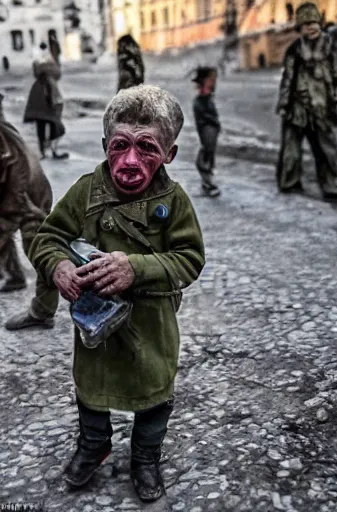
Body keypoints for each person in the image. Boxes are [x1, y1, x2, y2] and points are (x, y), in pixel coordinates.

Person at [28, 85, 205, 503]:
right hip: (98, 325)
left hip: (151, 324)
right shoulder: (87, 191)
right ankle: (94, 444)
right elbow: (47, 238)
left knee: (154, 391)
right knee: (92, 388)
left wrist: (135, 268)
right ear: (106, 144)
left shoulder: (173, 201)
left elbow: (189, 259)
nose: (129, 161)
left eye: (147, 148)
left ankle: (145, 457)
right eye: (120, 146)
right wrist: (59, 267)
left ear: (170, 154)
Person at [276, 2, 337, 199]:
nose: (311, 27)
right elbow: (287, 79)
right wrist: (284, 104)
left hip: (322, 105)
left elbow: (334, 74)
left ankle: (330, 184)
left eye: (314, 23)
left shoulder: (328, 45)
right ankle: (289, 182)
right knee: (291, 149)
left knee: (327, 149)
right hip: (298, 107)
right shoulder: (295, 50)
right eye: (306, 24)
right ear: (300, 29)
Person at [0, 103, 59, 330]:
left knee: (37, 246)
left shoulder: (6, 143)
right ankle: (14, 276)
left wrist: (5, 225)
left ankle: (44, 310)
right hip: (12, 191)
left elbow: (17, 187)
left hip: (30, 195)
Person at [23, 42, 69, 160]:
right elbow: (57, 74)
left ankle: (44, 151)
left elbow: (38, 72)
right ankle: (51, 150)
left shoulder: (38, 60)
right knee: (51, 122)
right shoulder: (49, 61)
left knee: (43, 123)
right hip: (47, 93)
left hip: (40, 93)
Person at [192, 66, 221, 197]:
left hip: (212, 128)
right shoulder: (199, 102)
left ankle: (207, 180)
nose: (214, 81)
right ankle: (206, 181)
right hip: (207, 128)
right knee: (207, 151)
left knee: (210, 152)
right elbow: (203, 118)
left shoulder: (208, 98)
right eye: (211, 79)